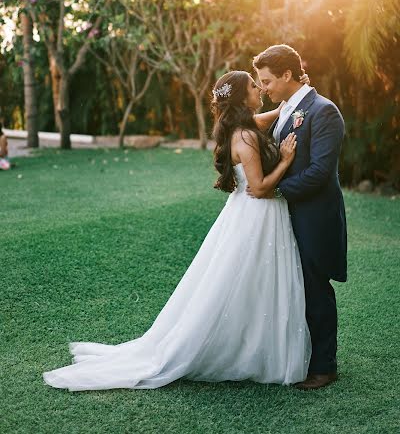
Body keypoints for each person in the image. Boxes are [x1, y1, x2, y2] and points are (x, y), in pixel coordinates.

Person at [43, 70, 311, 391]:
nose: (260, 90)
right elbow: (260, 188)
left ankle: (255, 345)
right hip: (258, 213)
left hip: (247, 216)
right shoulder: (247, 137)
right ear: (242, 97)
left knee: (248, 281)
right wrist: (284, 159)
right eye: (254, 87)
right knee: (249, 281)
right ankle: (248, 351)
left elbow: (270, 117)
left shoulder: (241, 129)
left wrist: (294, 97)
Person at [250, 44, 347, 390]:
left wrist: (275, 190)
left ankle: (324, 366)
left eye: (267, 81)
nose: (263, 88)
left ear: (287, 75)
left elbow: (321, 171)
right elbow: (246, 123)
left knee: (314, 290)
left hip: (313, 217)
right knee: (294, 288)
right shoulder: (289, 107)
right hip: (288, 217)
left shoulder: (324, 112)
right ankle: (301, 357)